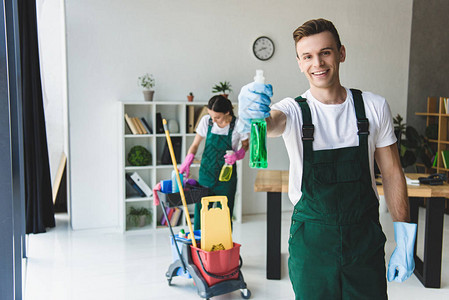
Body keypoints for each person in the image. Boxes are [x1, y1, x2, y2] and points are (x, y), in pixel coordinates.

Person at [237, 18, 417, 299]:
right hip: (312, 244)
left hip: (364, 242)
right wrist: (254, 114)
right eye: (307, 56)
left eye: (325, 52)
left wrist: (405, 238)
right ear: (299, 62)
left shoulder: (373, 107)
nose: (317, 63)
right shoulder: (293, 111)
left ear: (341, 53)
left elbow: (393, 173)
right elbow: (272, 123)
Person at [178, 95, 249, 230]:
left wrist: (239, 154)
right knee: (202, 212)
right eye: (211, 116)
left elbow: (246, 144)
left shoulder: (239, 125)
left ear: (227, 112)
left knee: (225, 212)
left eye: (217, 117)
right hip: (206, 174)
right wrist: (188, 160)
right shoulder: (207, 121)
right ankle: (199, 247)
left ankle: (225, 247)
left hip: (226, 176)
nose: (214, 120)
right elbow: (195, 144)